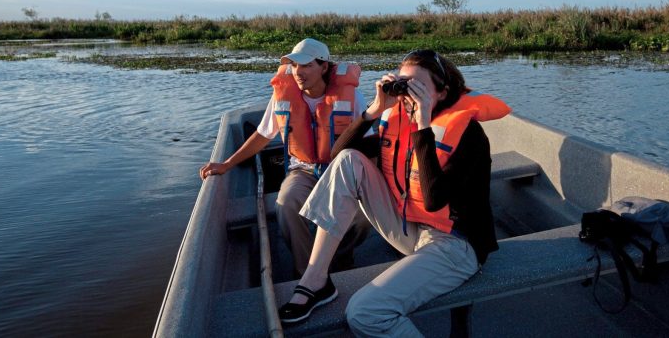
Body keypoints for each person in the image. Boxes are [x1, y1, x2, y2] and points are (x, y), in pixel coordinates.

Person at [277, 49, 511, 335]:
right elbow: (338, 155)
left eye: (418, 88)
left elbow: (434, 199)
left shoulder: (468, 135)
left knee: (365, 313)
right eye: (404, 85)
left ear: (441, 92)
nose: (408, 96)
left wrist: (423, 125)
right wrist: (374, 110)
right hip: (410, 228)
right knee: (349, 162)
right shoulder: (398, 123)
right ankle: (315, 280)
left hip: (455, 245)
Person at [199, 38, 370, 277]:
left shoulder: (353, 97)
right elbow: (262, 135)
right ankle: (307, 272)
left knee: (361, 218)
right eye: (295, 66)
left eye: (307, 65)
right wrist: (227, 164)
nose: (299, 72)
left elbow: (369, 140)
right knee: (286, 205)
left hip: (340, 170)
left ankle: (340, 259)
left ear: (324, 67)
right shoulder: (283, 96)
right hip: (303, 169)